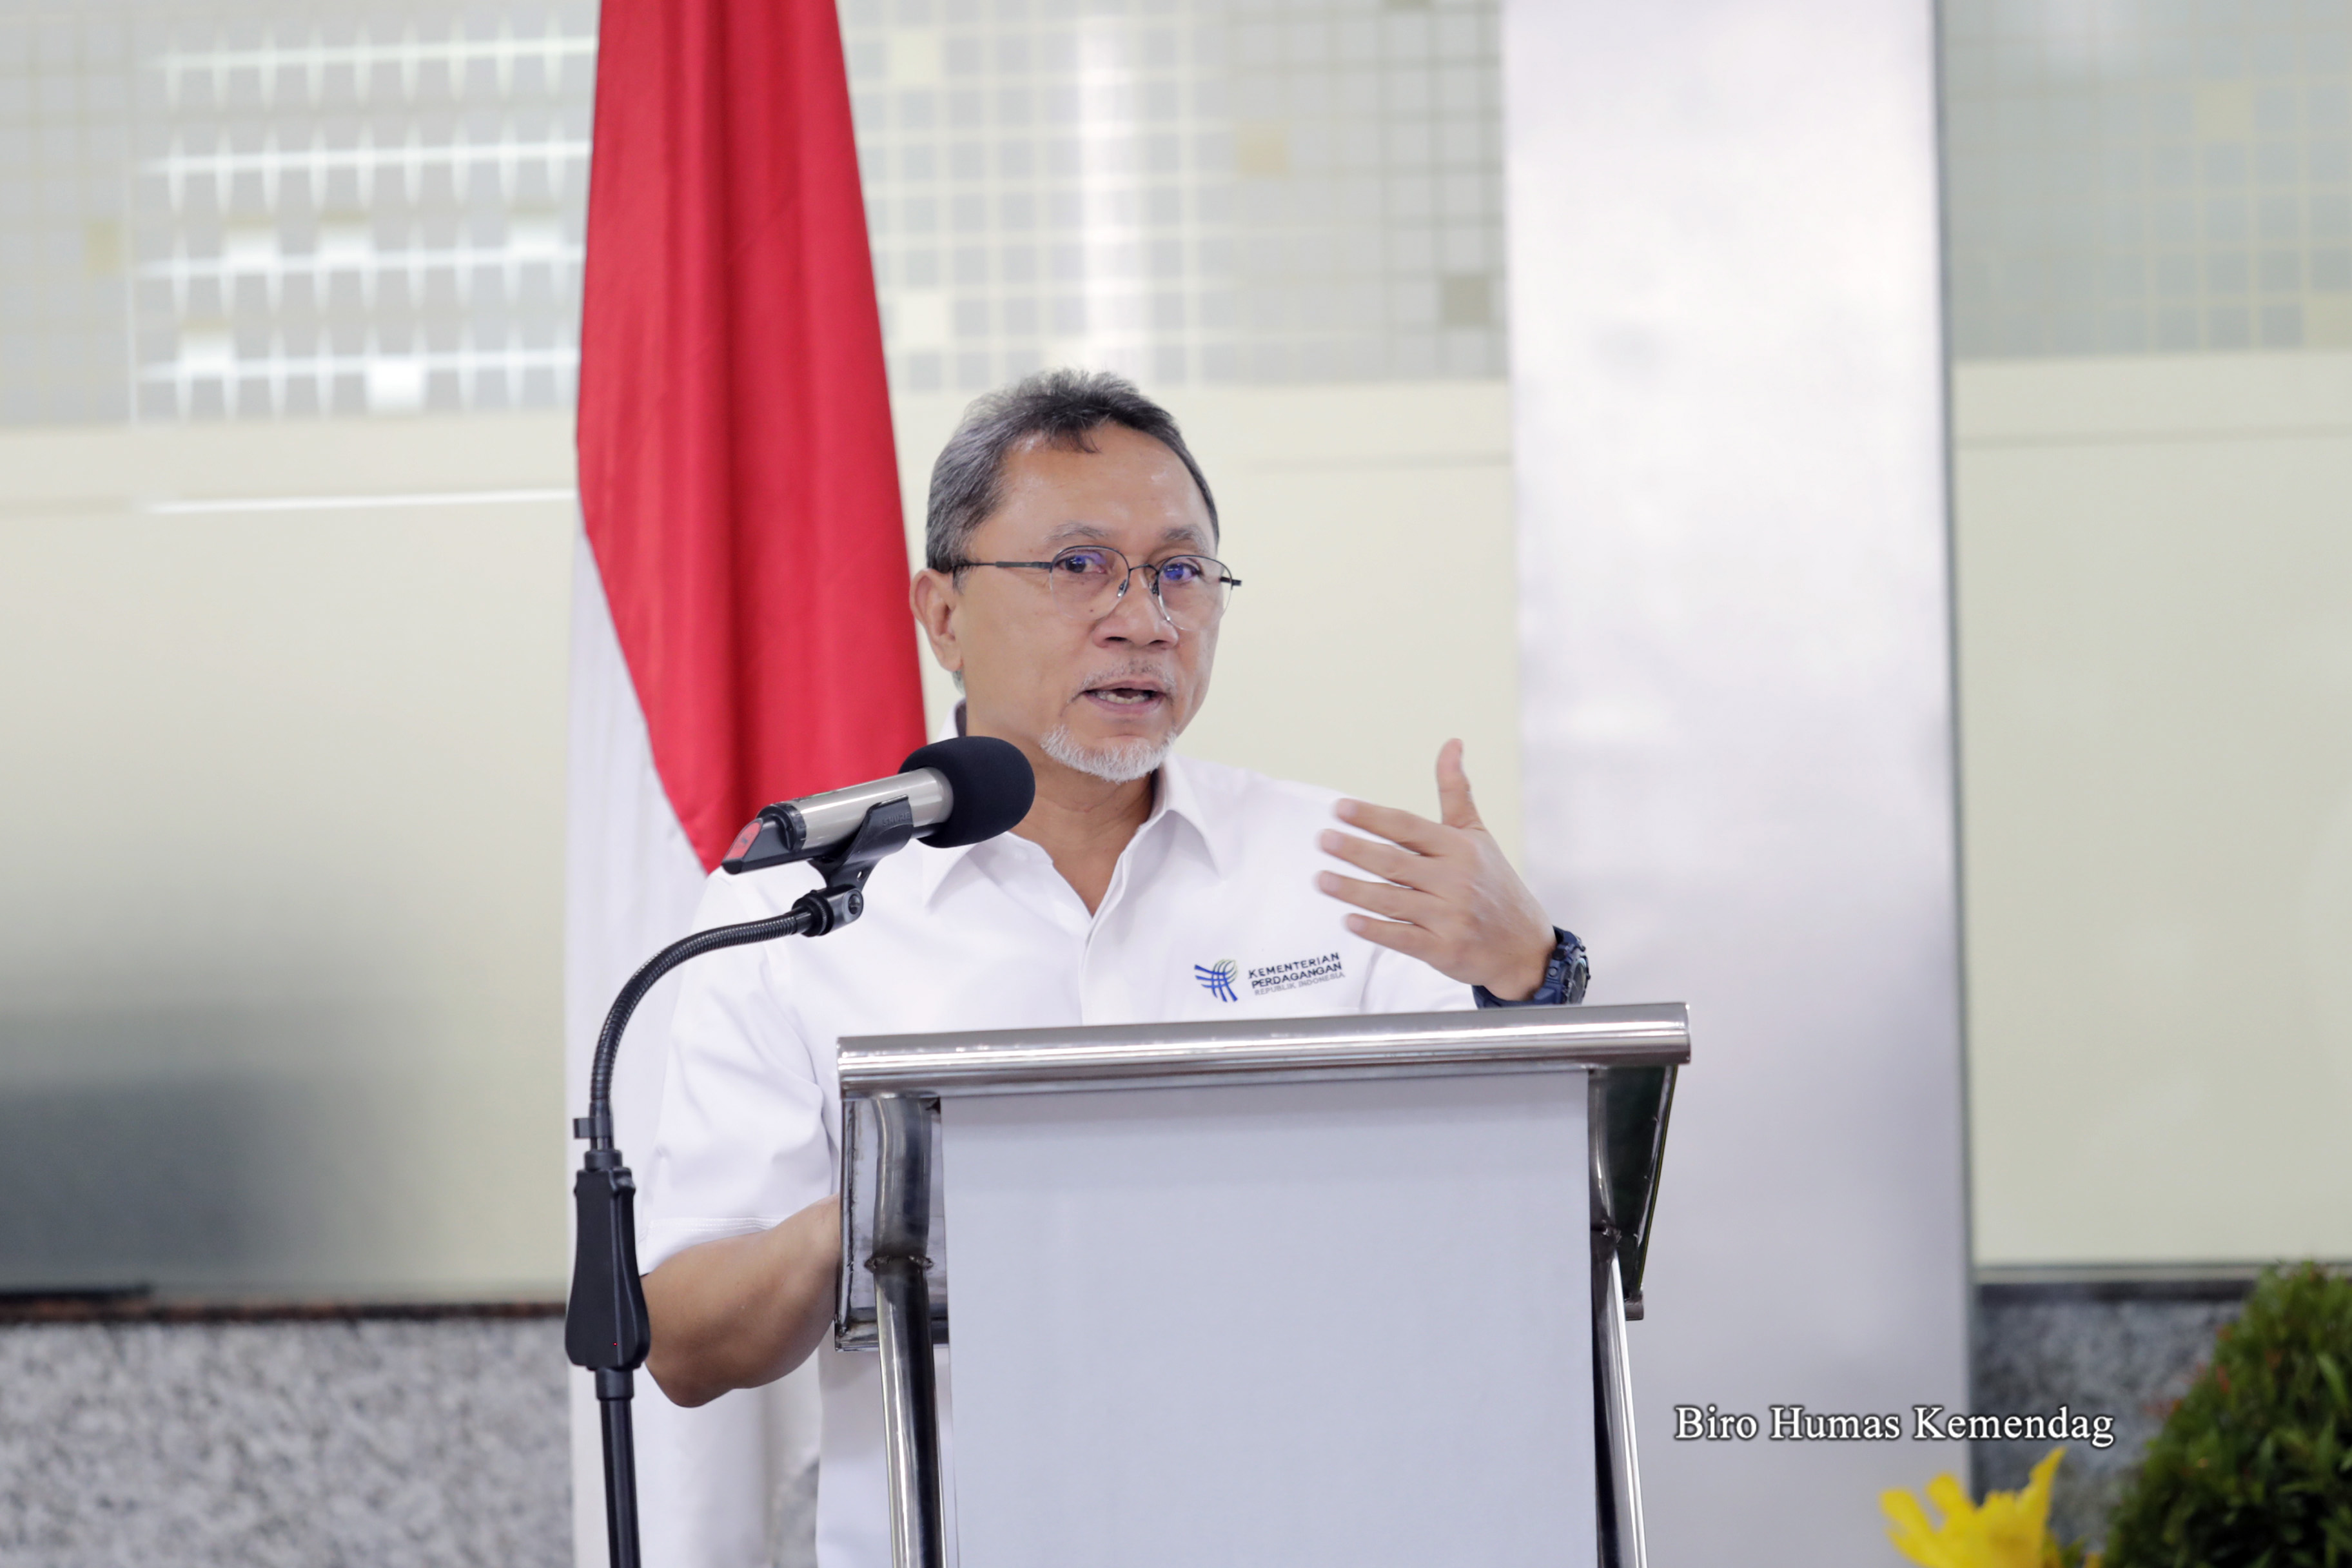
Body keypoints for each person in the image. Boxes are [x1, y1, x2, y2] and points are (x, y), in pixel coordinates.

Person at [636, 368, 1587, 1566]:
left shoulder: (1345, 869)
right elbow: (685, 1343)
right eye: (1079, 565)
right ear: (943, 613)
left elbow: (1524, 1229)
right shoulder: (794, 909)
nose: (1144, 619)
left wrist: (1531, 977)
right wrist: (893, 1201)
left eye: (1181, 572)